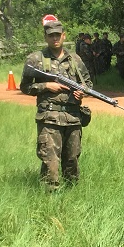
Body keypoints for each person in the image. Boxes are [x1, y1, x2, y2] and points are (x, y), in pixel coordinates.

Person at [20, 19, 93, 191]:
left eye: (58, 35)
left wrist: (82, 92)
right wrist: (46, 86)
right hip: (49, 118)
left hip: (73, 118)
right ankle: (49, 201)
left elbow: (88, 83)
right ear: (45, 37)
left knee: (72, 161)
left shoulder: (74, 59)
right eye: (51, 35)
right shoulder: (35, 59)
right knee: (50, 163)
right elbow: (25, 87)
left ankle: (72, 196)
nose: (55, 39)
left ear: (63, 36)